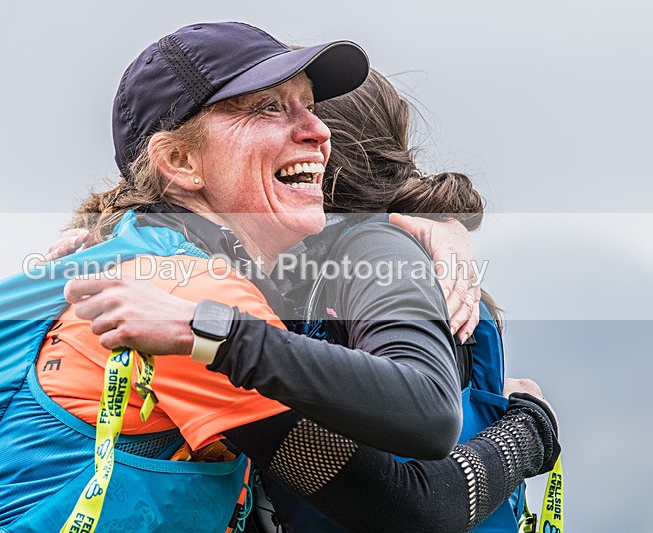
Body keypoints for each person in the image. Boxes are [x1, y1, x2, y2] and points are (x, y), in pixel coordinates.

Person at [34, 23, 560, 533]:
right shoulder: (186, 298)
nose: (314, 130)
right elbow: (413, 505)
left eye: (308, 105)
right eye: (269, 107)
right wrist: (531, 427)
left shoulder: (159, 271)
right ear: (178, 160)